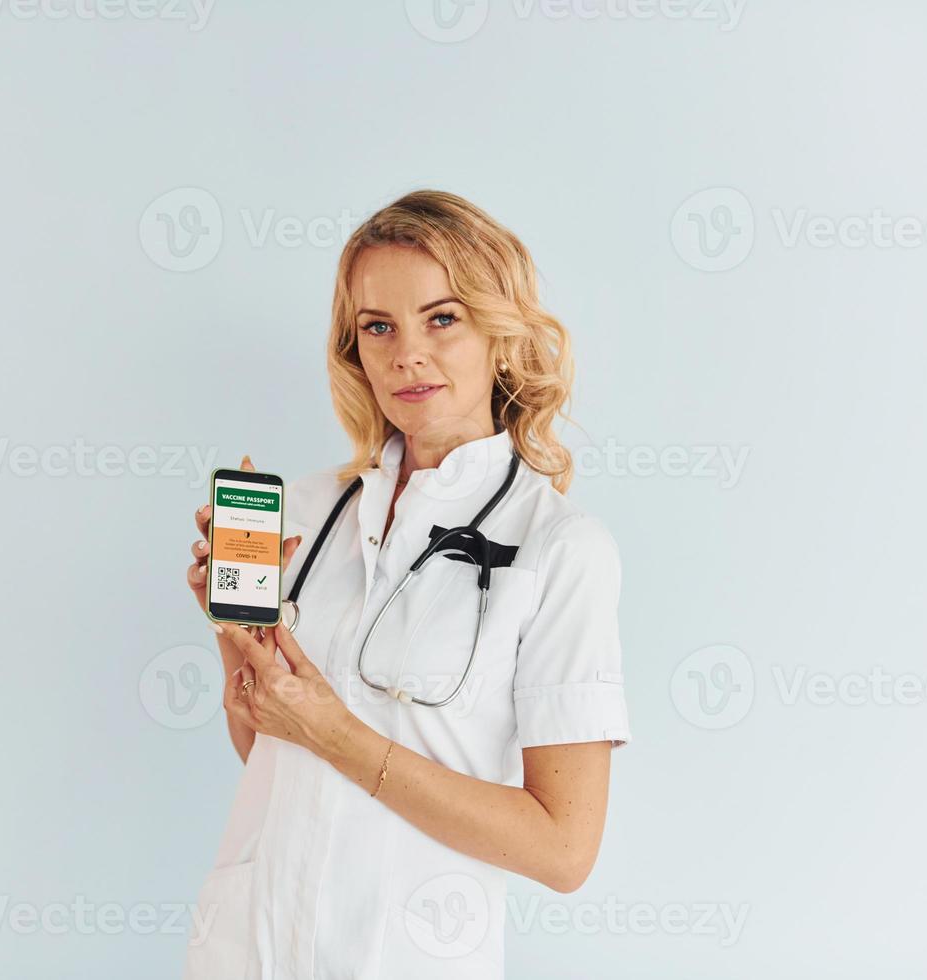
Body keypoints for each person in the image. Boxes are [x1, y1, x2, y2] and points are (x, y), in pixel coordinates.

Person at [183, 189, 630, 979]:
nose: (405, 354)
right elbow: (268, 753)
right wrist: (239, 656)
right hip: (249, 951)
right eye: (377, 327)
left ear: (499, 331)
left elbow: (564, 851)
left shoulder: (561, 550)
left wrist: (339, 735)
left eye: (442, 318)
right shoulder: (313, 510)